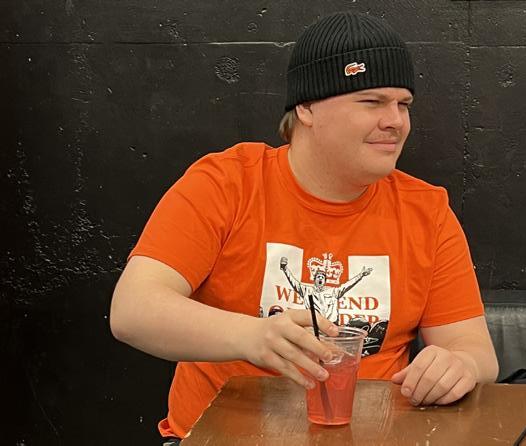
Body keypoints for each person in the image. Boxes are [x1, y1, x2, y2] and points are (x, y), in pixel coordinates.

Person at [110, 11, 499, 444]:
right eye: (371, 101)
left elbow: (476, 351)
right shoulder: (227, 183)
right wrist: (253, 336)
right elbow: (132, 311)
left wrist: (458, 366)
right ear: (307, 107)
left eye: (403, 103)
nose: (396, 120)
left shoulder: (426, 210)